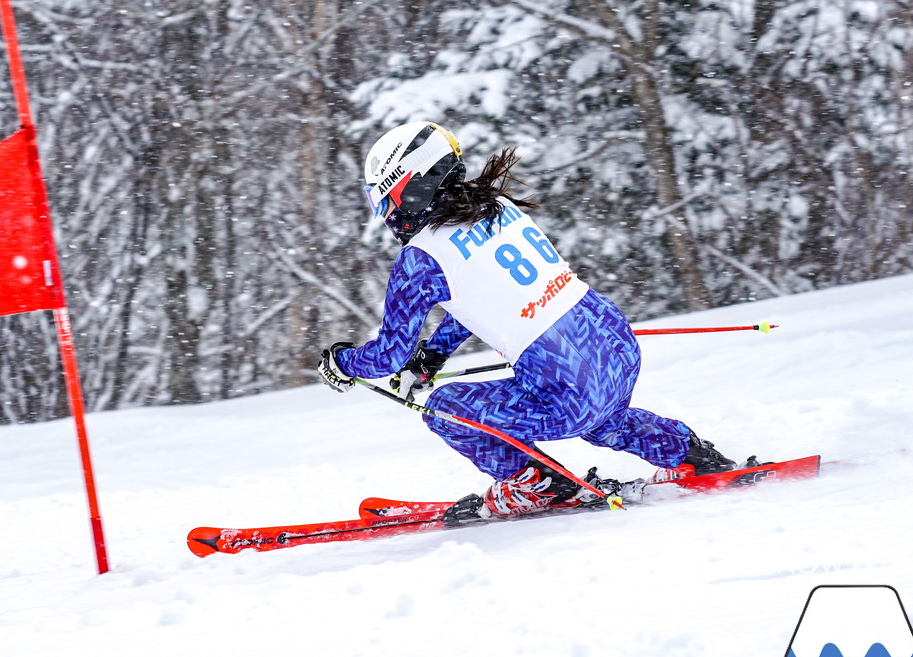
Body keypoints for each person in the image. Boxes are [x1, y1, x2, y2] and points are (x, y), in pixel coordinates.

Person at [315, 121, 738, 525]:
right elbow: (482, 297)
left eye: (384, 198)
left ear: (409, 186)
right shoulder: (496, 207)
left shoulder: (420, 259)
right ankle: (689, 454)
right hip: (617, 345)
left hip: (568, 384)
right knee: (603, 419)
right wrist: (432, 356)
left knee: (445, 410)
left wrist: (341, 363)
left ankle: (535, 485)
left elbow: (389, 354)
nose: (386, 212)